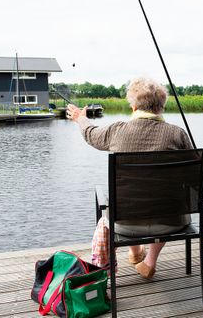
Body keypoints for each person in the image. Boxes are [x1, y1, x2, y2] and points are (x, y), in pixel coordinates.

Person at [67, 77, 193, 279]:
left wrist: (79, 118)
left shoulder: (117, 131)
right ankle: (149, 261)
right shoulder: (177, 134)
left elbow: (90, 133)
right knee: (162, 198)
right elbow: (192, 177)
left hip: (124, 223)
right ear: (161, 106)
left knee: (126, 200)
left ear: (134, 105)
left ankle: (135, 251)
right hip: (172, 221)